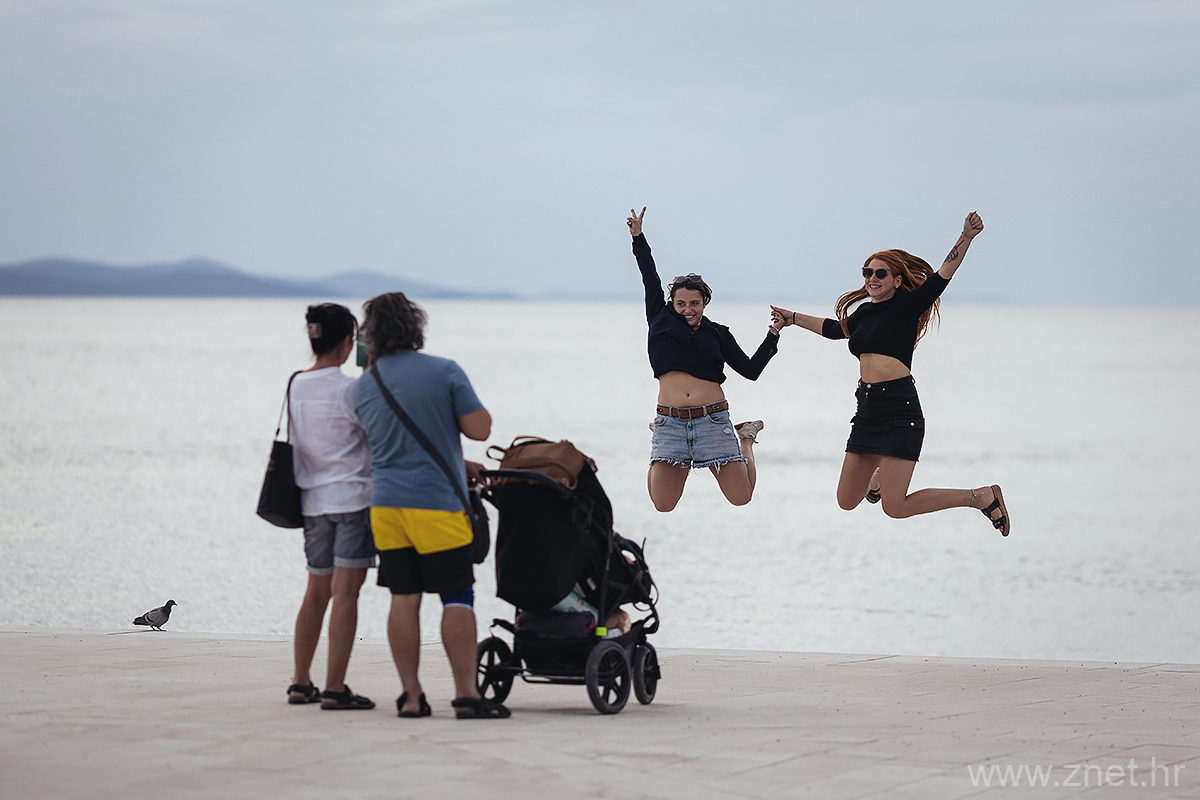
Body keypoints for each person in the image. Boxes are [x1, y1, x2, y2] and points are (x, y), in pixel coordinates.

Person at [770, 212, 1011, 535]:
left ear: (896, 280)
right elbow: (834, 329)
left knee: (895, 508)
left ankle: (980, 497)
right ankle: (878, 476)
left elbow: (944, 274)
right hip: (867, 411)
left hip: (900, 410)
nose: (872, 278)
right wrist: (793, 318)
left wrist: (965, 237)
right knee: (846, 500)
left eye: (880, 273)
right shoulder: (864, 313)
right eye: (867, 272)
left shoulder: (908, 306)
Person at [354, 292, 510, 719]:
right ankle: (466, 695)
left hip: (386, 506)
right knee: (456, 596)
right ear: (415, 325)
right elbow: (480, 429)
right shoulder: (443, 371)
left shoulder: (364, 385)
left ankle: (410, 696)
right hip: (437, 505)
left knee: (403, 597)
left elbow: (387, 443)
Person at [628, 207, 782, 512]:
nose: (688, 309)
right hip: (670, 421)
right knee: (663, 504)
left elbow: (750, 370)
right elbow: (649, 275)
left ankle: (746, 438)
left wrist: (773, 334)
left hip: (712, 420)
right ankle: (658, 444)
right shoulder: (659, 319)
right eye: (681, 303)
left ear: (704, 302)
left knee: (741, 497)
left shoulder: (718, 333)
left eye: (694, 303)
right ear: (672, 303)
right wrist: (638, 237)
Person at [287, 303, 376, 710]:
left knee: (315, 593)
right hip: (353, 501)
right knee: (346, 595)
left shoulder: (295, 384)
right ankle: (335, 687)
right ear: (346, 343)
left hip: (312, 503)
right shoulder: (351, 389)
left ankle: (300, 682)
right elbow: (375, 436)